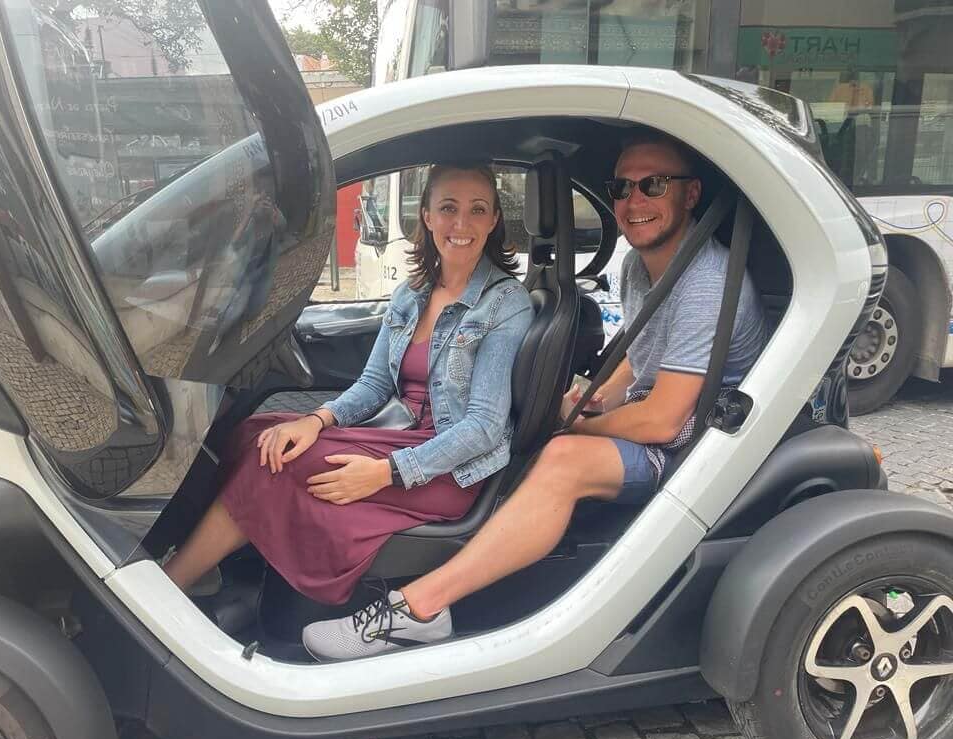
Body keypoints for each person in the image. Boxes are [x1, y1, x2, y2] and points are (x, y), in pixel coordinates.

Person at [303, 130, 768, 660]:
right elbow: (638, 362)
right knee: (555, 437)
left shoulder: (704, 281)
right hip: (669, 420)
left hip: (703, 449)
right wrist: (586, 397)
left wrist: (572, 425)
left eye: (654, 185)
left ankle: (418, 610)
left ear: (690, 195)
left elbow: (663, 422)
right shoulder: (644, 267)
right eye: (621, 187)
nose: (633, 202)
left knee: (563, 457)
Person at [161, 164, 533, 608]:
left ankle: (173, 583)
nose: (461, 224)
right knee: (258, 436)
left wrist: (384, 474)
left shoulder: (506, 303)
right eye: (448, 208)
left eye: (477, 210)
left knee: (270, 465)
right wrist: (317, 420)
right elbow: (375, 384)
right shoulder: (412, 294)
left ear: (493, 221)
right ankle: (219, 565)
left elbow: (483, 428)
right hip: (401, 432)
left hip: (448, 467)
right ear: (427, 217)